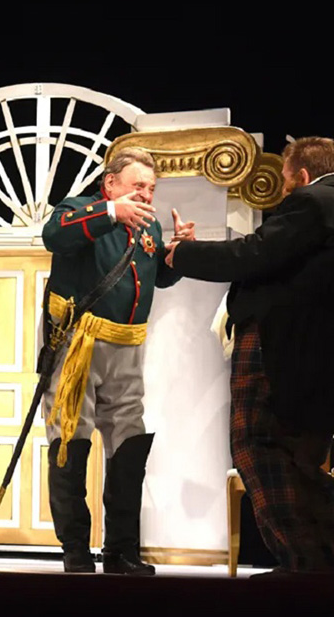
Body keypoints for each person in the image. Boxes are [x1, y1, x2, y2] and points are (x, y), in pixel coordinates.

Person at [166, 136, 334, 575]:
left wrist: (183, 253)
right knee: (299, 455)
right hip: (316, 360)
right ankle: (314, 566)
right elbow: (275, 255)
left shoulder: (314, 201)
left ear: (301, 176)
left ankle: (307, 565)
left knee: (255, 447)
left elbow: (253, 255)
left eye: (285, 184)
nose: (284, 193)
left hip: (282, 348)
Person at [40, 147, 196, 575]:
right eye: (137, 185)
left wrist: (176, 253)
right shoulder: (78, 208)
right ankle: (75, 550)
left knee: (128, 445)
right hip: (78, 343)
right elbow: (55, 236)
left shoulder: (149, 227)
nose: (145, 194)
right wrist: (110, 213)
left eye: (151, 188)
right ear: (110, 184)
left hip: (127, 345)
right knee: (70, 441)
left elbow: (157, 276)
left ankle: (121, 552)